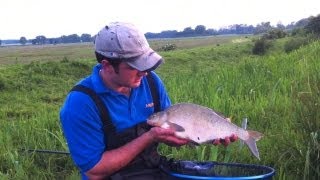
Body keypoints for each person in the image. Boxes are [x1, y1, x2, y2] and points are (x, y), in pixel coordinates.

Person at [60, 22, 237, 180]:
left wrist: (204, 134)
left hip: (153, 168)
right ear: (107, 66)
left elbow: (168, 130)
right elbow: (94, 171)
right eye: (135, 67)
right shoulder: (80, 104)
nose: (144, 72)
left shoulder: (150, 81)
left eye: (146, 64)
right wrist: (149, 137)